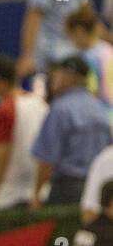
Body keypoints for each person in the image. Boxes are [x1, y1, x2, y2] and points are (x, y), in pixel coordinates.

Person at [31, 55, 113, 207]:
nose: (53, 78)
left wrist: (36, 193)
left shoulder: (61, 108)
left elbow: (47, 158)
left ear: (69, 76)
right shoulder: (100, 109)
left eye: (57, 73)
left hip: (66, 189)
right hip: (97, 188)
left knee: (64, 230)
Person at [0, 55, 49, 212]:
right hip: (41, 191)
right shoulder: (41, 104)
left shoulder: (5, 110)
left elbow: (2, 155)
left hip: (11, 196)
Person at [66, 4, 113, 109]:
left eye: (70, 36)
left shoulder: (87, 58)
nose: (71, 42)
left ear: (79, 32)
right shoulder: (109, 50)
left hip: (101, 114)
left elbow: (91, 91)